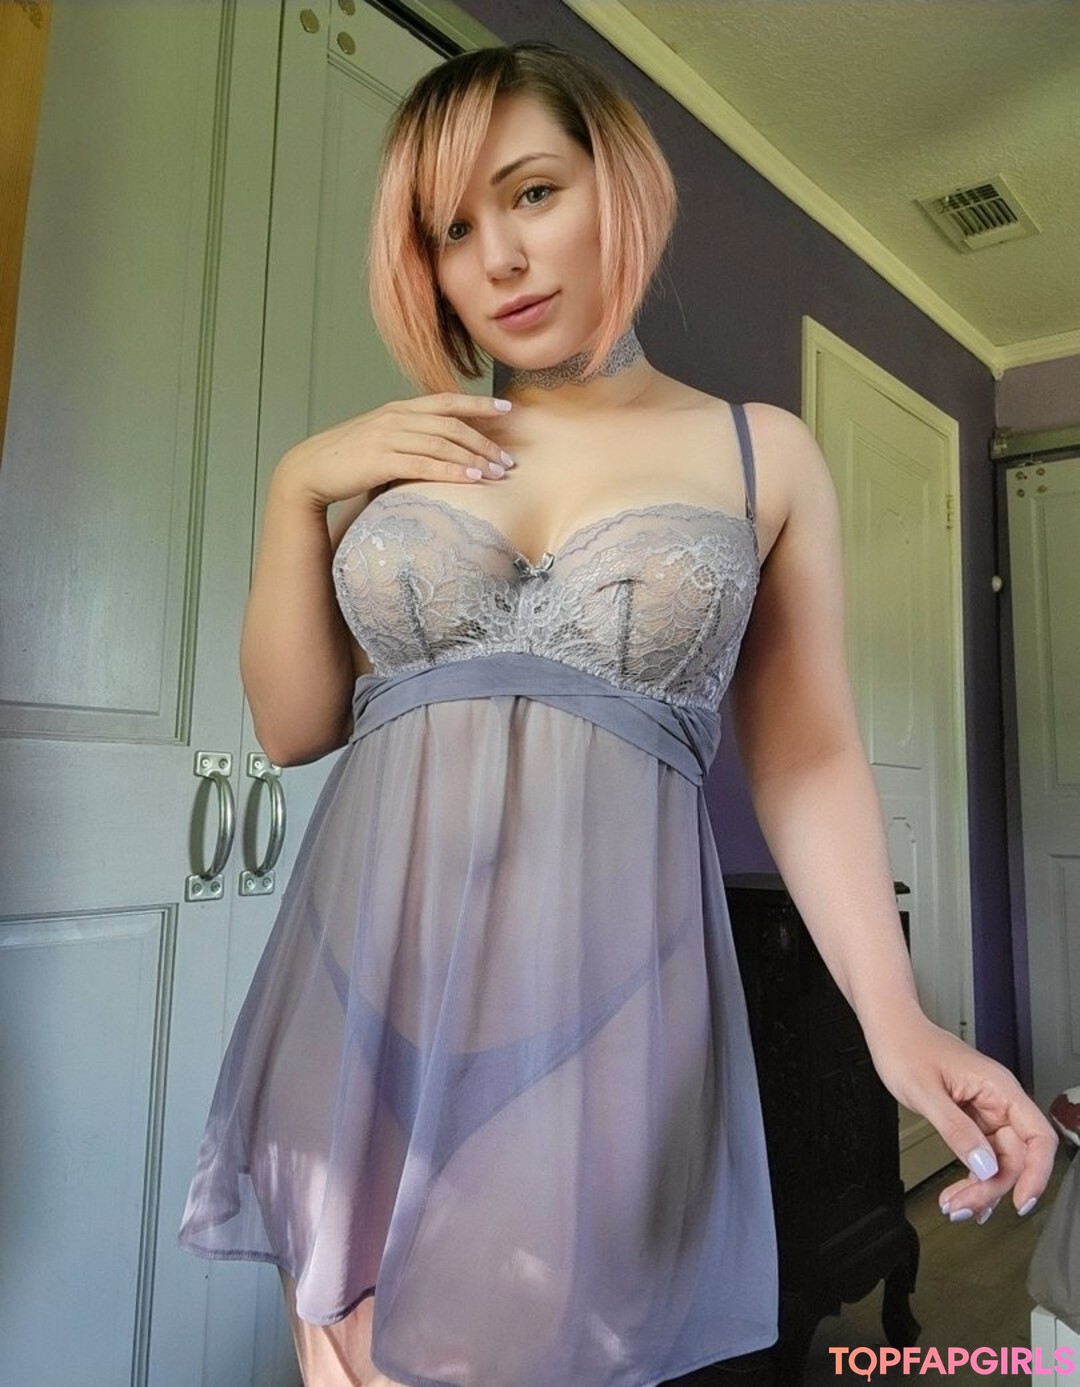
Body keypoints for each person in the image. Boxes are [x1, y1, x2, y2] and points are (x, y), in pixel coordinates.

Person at [178, 40, 1057, 1387]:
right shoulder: (403, 460)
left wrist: (896, 1019)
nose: (499, 258)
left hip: (594, 1024)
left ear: (618, 185)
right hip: (359, 1000)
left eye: (532, 193)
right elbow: (294, 726)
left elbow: (809, 754)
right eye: (451, 229)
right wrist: (297, 486)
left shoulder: (760, 452)